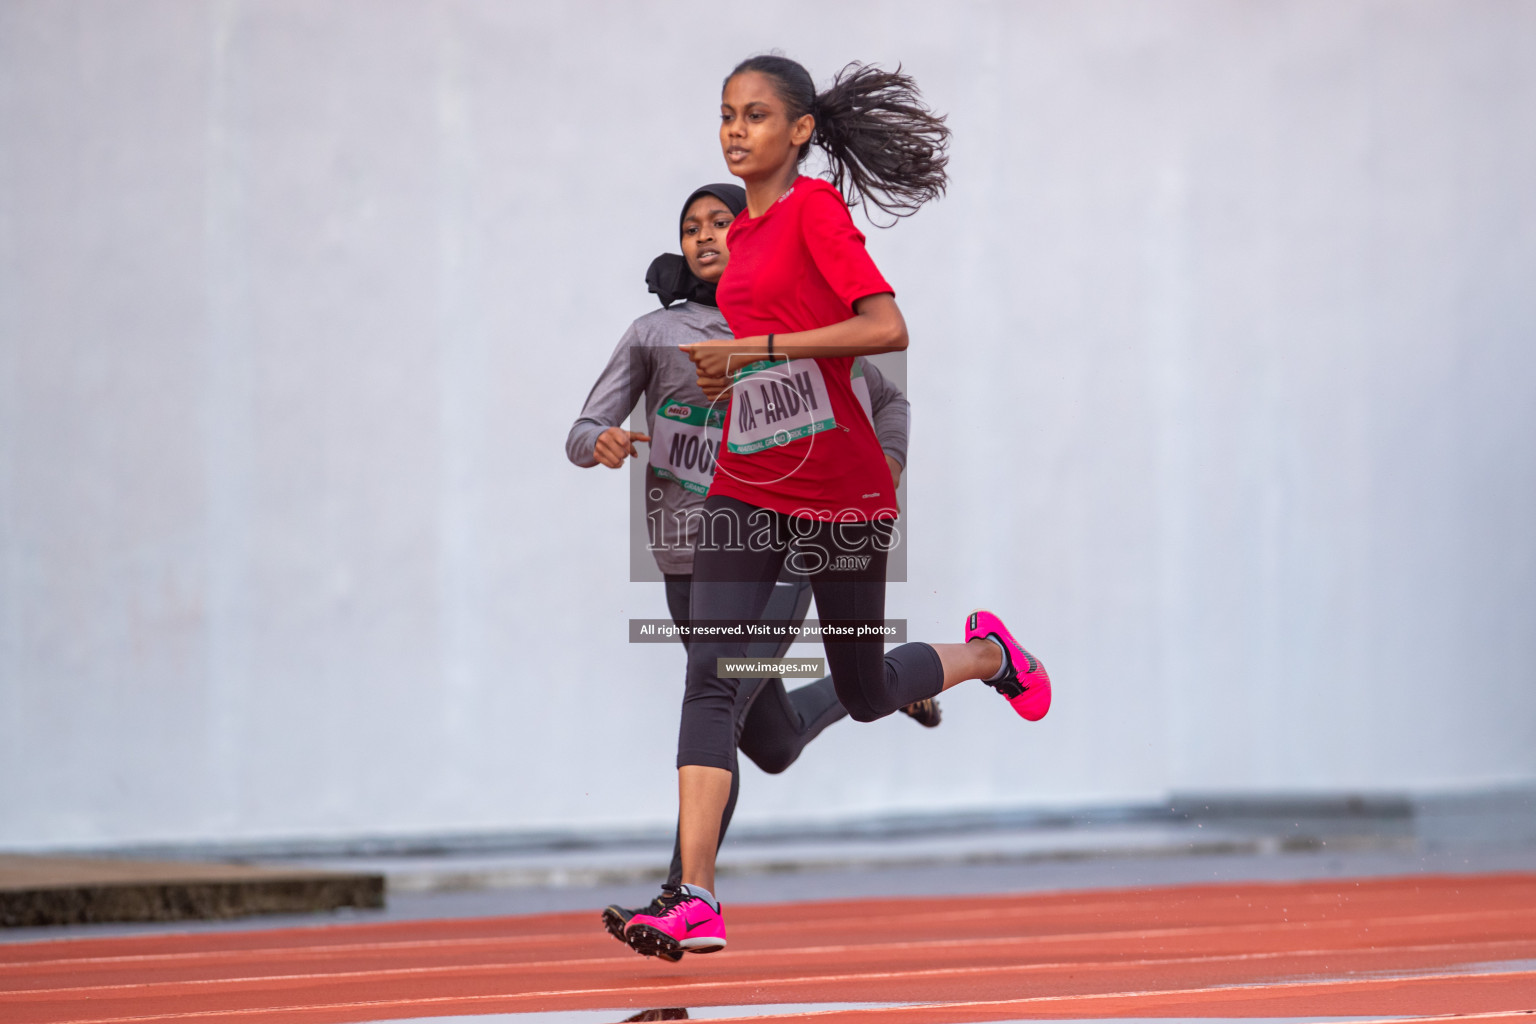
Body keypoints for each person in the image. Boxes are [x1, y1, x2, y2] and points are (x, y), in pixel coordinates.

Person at [621, 56, 1052, 961]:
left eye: (756, 116)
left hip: (842, 495)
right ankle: (694, 894)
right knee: (712, 676)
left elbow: (886, 326)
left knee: (862, 694)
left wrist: (760, 349)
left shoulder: (818, 211)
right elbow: (726, 319)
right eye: (726, 116)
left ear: (801, 130)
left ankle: (985, 653)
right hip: (748, 485)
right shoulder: (738, 238)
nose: (736, 131)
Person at [565, 182, 939, 961]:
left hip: (783, 543)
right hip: (686, 560)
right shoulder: (653, 334)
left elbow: (885, 395)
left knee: (718, 700)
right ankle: (894, 677)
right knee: (771, 740)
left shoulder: (788, 326)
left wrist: (890, 459)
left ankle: (685, 895)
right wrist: (597, 440)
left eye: (721, 223)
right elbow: (582, 425)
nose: (706, 237)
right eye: (690, 228)